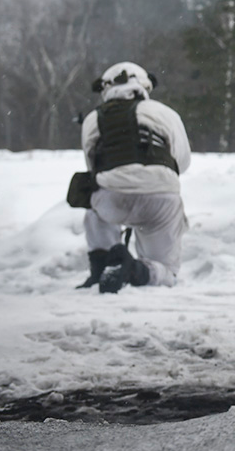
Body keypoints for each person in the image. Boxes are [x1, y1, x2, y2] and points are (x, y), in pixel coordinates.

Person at [77, 62, 191, 294]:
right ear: (144, 85)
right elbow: (182, 162)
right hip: (161, 198)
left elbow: (92, 166)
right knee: (167, 271)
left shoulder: (92, 119)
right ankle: (138, 271)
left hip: (111, 198)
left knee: (93, 201)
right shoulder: (165, 113)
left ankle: (102, 266)